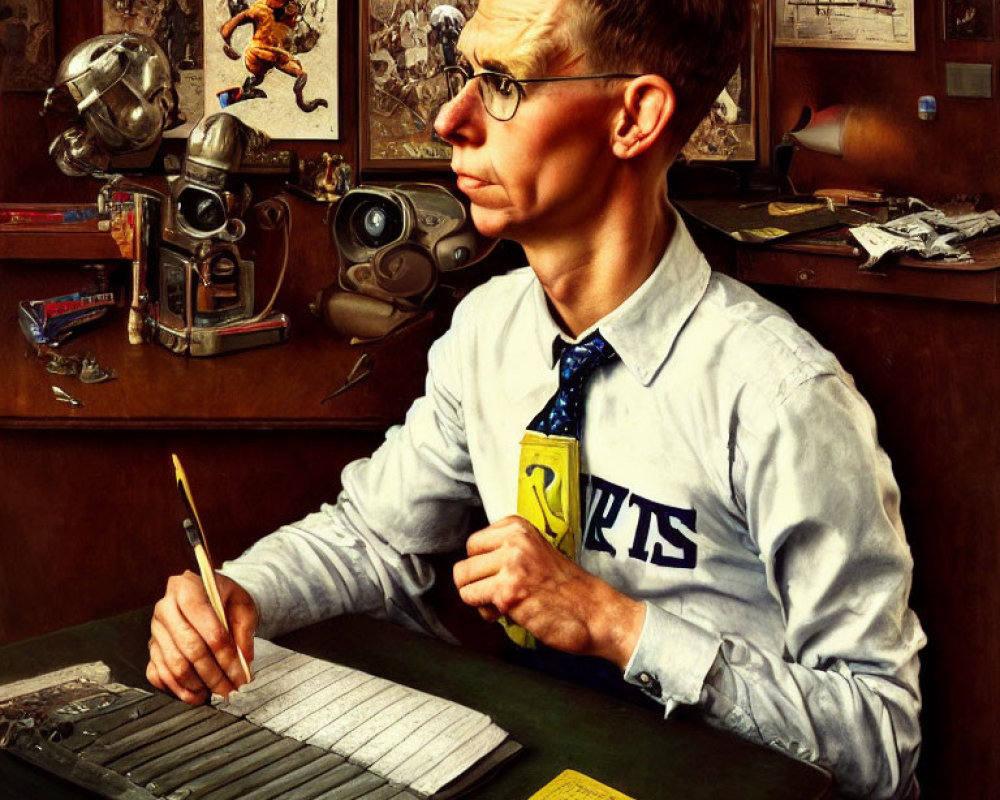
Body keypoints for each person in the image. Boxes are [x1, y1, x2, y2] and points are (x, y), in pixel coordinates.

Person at [147, 1, 925, 797]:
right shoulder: (488, 329)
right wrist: (240, 591)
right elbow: (377, 538)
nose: (452, 118)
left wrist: (617, 625)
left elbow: (880, 741)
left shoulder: (781, 397)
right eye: (464, 76)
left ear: (634, 117)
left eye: (503, 83)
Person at [219, 0, 327, 112]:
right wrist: (228, 44)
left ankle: (303, 104)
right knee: (296, 74)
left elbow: (228, 29)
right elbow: (228, 28)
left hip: (272, 55)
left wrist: (228, 43)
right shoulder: (260, 10)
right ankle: (303, 104)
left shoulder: (290, 10)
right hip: (258, 53)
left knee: (261, 78)